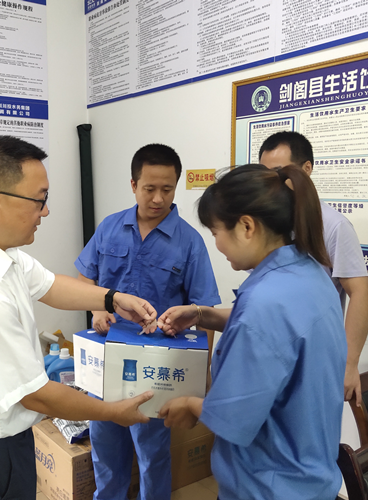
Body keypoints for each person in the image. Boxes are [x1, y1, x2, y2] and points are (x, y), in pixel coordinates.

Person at [0, 135, 158, 500]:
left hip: (5, 438)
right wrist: (112, 411)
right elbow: (37, 396)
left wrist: (113, 299)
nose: (45, 212)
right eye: (39, 199)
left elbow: (48, 284)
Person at [157, 164, 347, 500]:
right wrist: (202, 314)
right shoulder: (312, 274)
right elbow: (279, 333)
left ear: (246, 227)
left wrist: (188, 404)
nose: (217, 244)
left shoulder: (262, 305)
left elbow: (233, 416)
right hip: (312, 477)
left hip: (266, 486)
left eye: (216, 232)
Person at [75, 143, 221, 500]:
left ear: (176, 186)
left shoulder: (189, 242)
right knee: (105, 444)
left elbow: (204, 312)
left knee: (152, 452)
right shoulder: (110, 228)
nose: (158, 198)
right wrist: (97, 309)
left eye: (167, 189)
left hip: (157, 364)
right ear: (133, 185)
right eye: (149, 188)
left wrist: (201, 374)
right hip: (108, 355)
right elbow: (84, 280)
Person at [258, 131, 368, 405]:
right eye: (266, 175)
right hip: (272, 354)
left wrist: (349, 363)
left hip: (315, 358)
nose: (273, 182)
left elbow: (361, 294)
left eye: (280, 172)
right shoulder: (268, 224)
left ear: (306, 169)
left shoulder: (334, 226)